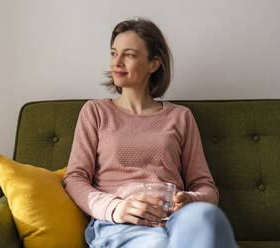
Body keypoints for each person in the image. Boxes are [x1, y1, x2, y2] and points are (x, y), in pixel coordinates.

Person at [62, 17, 239, 248]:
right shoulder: (95, 112)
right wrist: (116, 208)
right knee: (157, 245)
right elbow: (74, 178)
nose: (117, 62)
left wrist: (191, 199)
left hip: (175, 217)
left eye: (129, 55)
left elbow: (206, 187)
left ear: (153, 64)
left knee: (207, 218)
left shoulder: (181, 116)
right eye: (114, 53)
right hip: (121, 221)